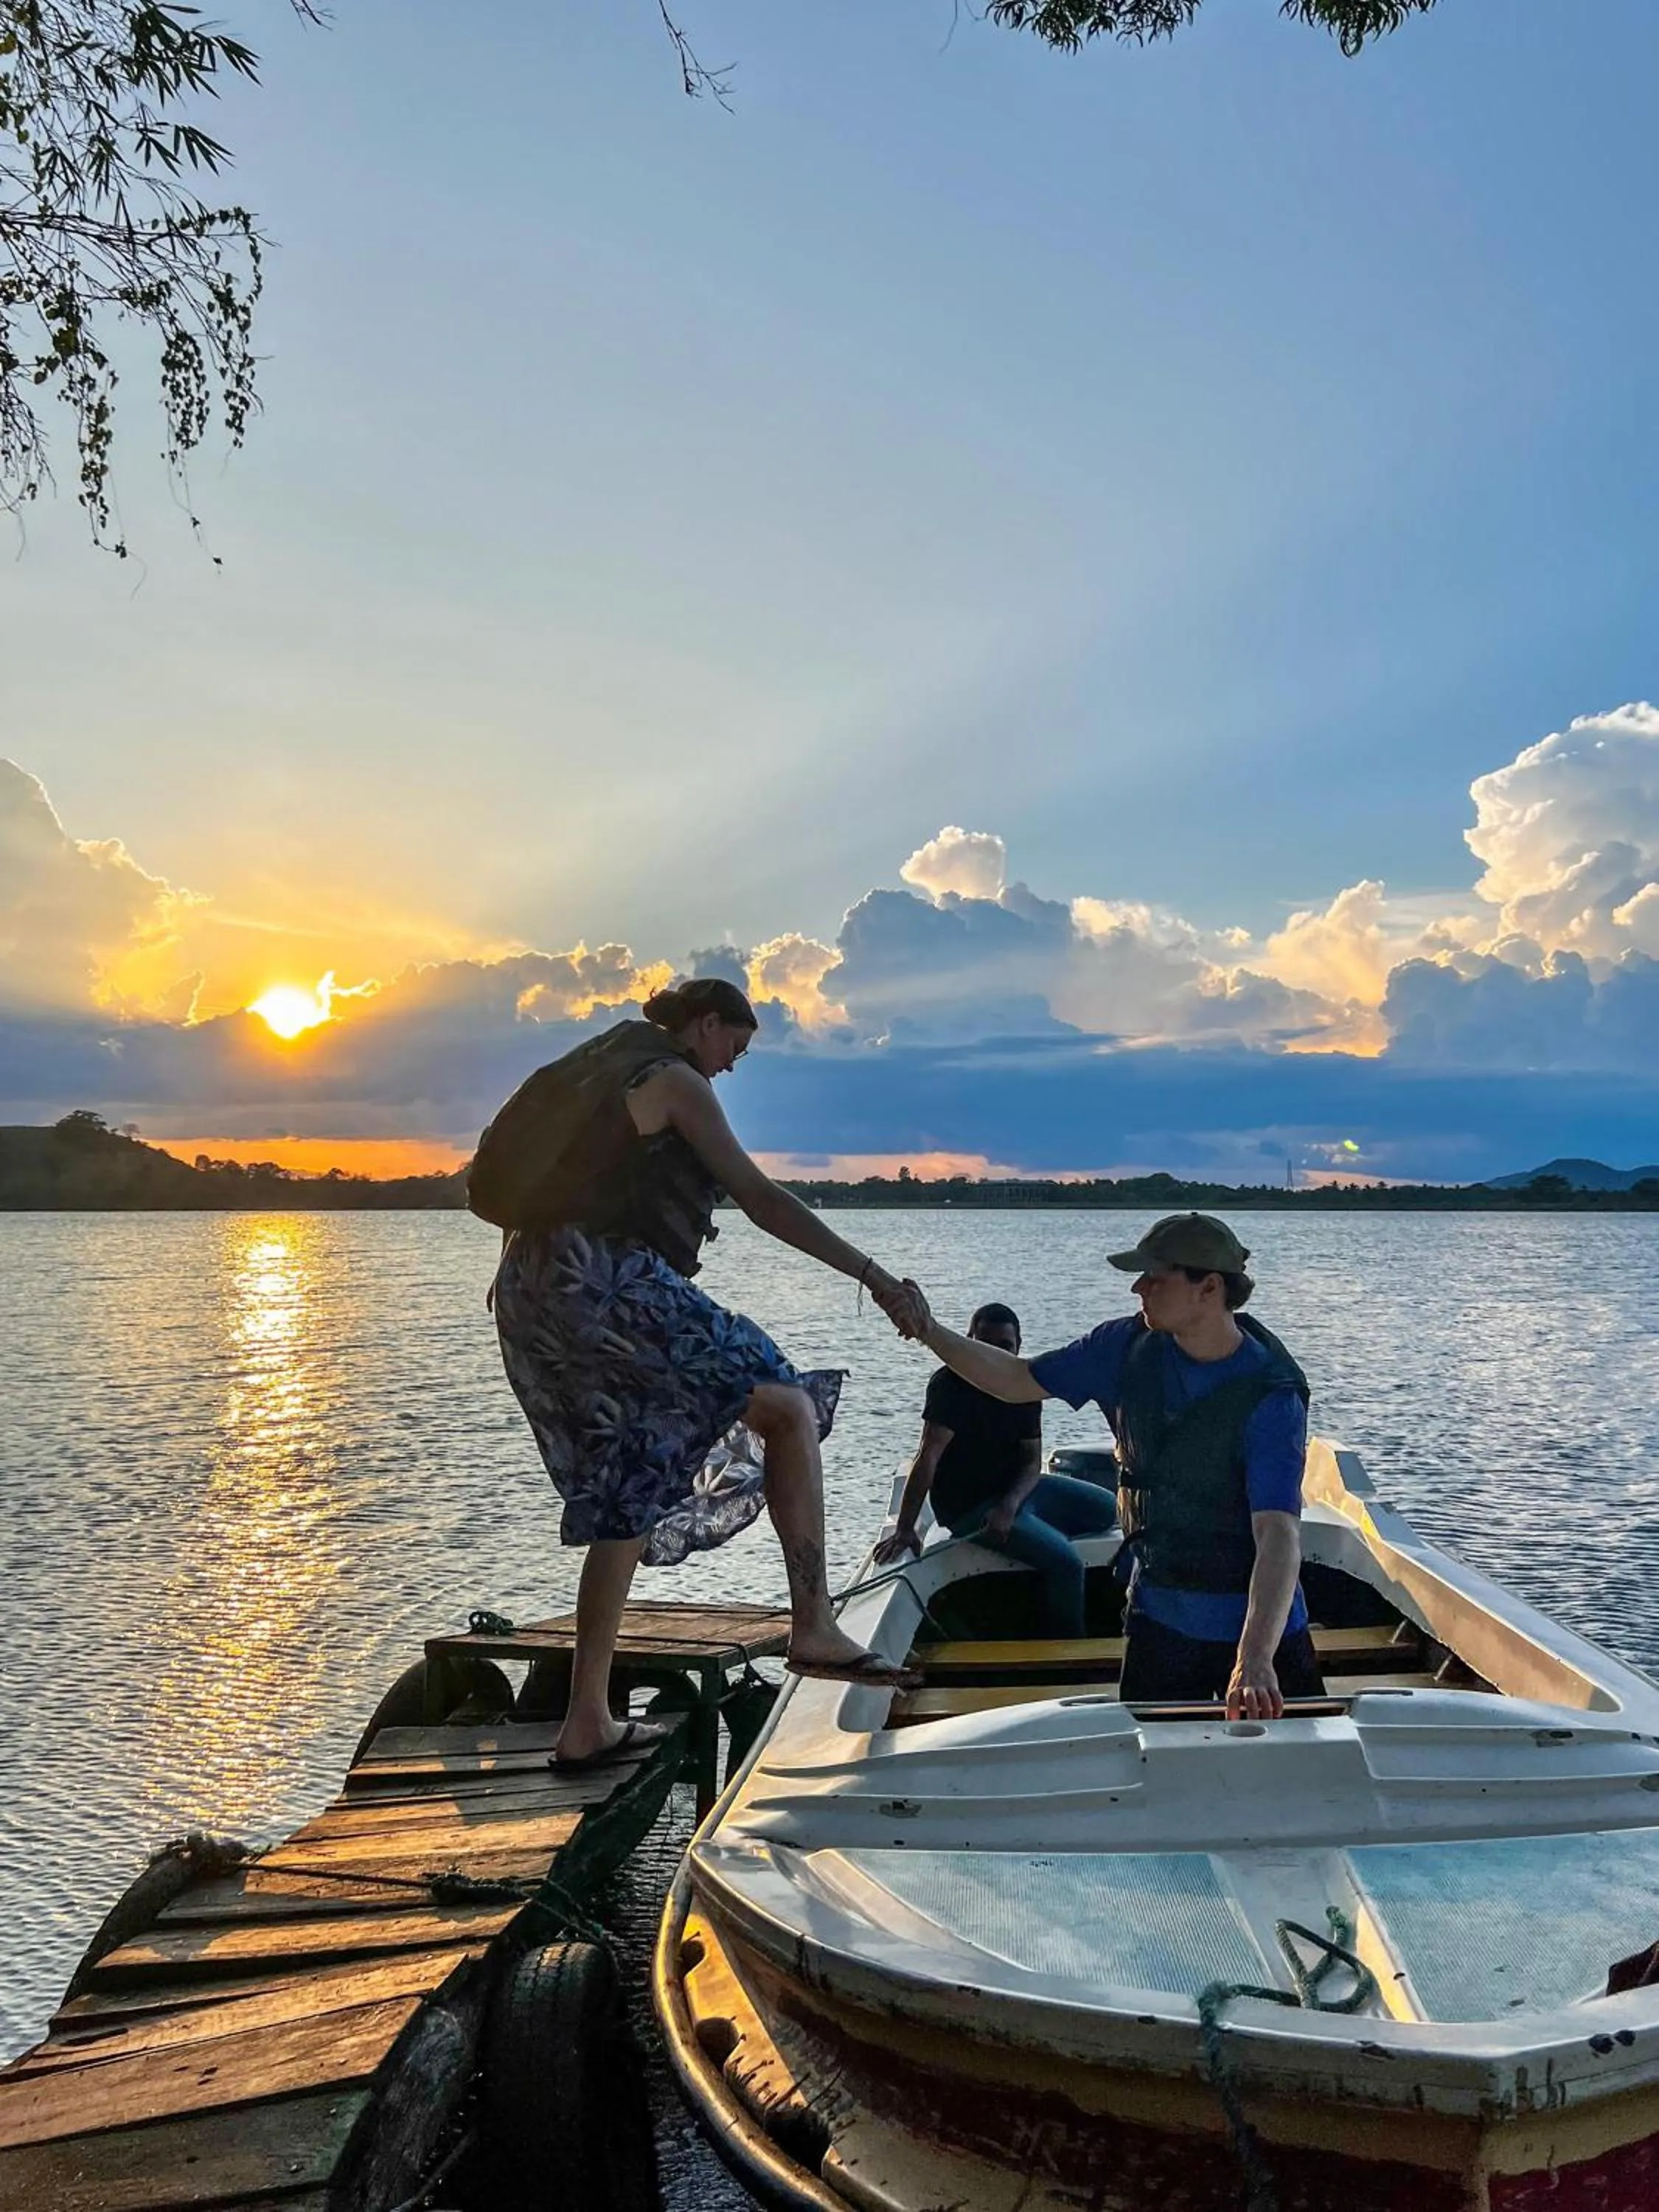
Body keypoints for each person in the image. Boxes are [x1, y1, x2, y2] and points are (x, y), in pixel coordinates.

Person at [488, 977, 920, 1770]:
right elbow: (761, 1198)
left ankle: (586, 1721)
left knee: (630, 1484)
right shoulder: (673, 1079)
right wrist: (873, 1275)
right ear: (706, 1025)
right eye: (735, 1046)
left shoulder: (603, 1064)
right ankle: (814, 1622)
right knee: (786, 1404)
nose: (731, 1066)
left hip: (528, 1285)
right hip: (599, 1275)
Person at [888, 1214, 1322, 1720]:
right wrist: (928, 1330)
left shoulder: (1272, 1394)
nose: (1139, 1287)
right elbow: (1015, 1379)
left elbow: (1277, 1534)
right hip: (1162, 1620)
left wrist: (1254, 1659)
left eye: (1155, 1277)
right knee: (1152, 1773)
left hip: (1264, 1636)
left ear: (1209, 1287)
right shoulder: (1120, 1348)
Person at [874, 1303, 1118, 1637]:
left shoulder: (1024, 1383)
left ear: (1018, 1345)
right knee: (1066, 1563)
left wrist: (1011, 1504)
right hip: (970, 1507)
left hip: (1016, 1495)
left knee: (1108, 1510)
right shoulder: (950, 1384)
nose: (994, 1354)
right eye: (983, 1344)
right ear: (968, 1341)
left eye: (1005, 1346)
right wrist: (905, 1528)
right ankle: (1067, 1650)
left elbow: (1032, 1461)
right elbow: (928, 1456)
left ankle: (1033, 1535)